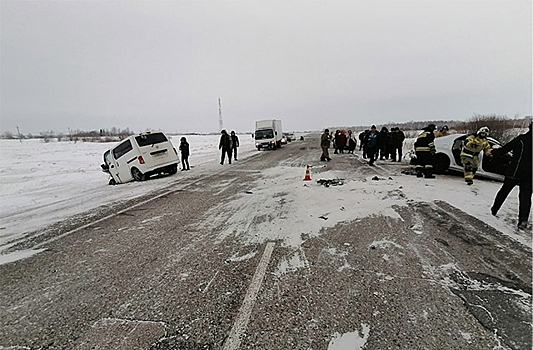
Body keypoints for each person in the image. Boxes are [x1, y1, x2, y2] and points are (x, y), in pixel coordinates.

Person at [490, 123, 532, 229]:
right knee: (525, 197)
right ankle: (523, 220)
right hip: (529, 175)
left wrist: (492, 152)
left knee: (504, 191)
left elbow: (504, 150)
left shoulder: (521, 139)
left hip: (514, 172)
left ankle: (494, 210)